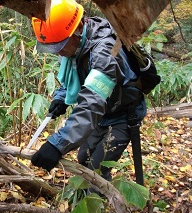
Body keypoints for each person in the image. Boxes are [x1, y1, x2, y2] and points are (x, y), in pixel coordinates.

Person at [30, 0, 147, 182]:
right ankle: (84, 199)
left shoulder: (106, 53)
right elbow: (72, 75)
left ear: (78, 29)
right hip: (101, 113)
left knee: (96, 169)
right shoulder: (73, 46)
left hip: (122, 115)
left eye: (60, 46)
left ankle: (96, 206)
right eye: (54, 47)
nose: (57, 53)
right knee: (83, 158)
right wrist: (62, 98)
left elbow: (92, 102)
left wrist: (56, 145)